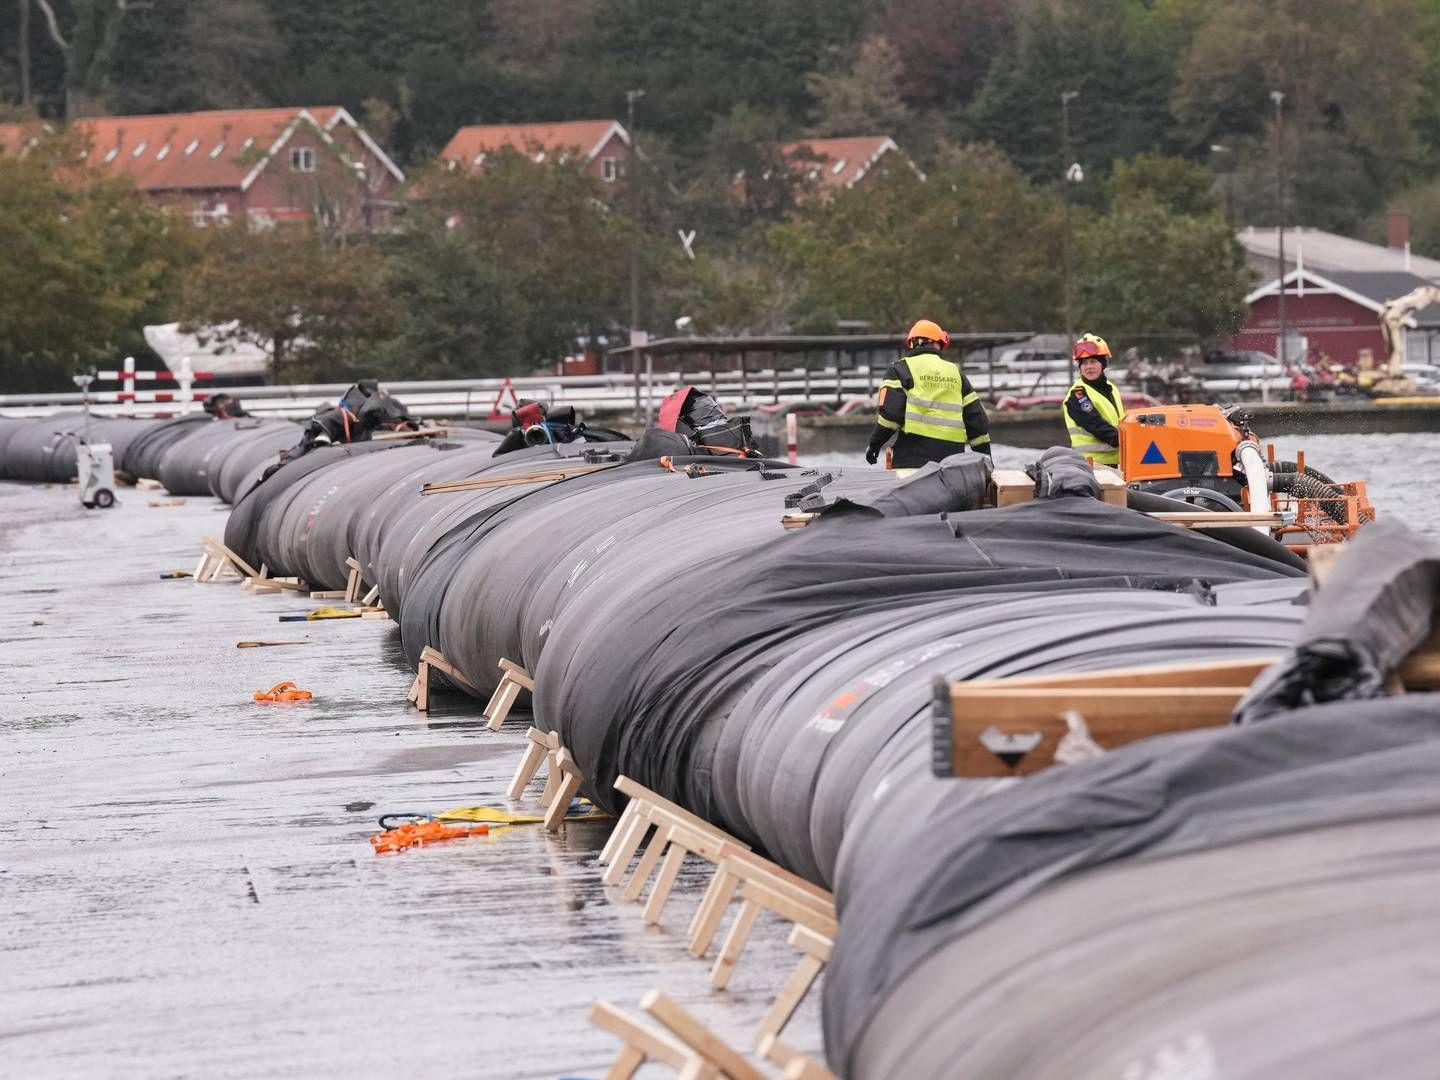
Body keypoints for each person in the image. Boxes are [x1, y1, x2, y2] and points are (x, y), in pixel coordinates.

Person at [865, 319, 991, 467]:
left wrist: (874, 445)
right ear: (938, 343)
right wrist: (986, 462)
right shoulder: (956, 373)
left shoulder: (899, 369)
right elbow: (977, 425)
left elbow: (890, 417)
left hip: (913, 459)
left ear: (912, 344)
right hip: (952, 462)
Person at [1063, 333, 1126, 466]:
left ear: (1103, 364)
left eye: (1093, 361)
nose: (1088, 367)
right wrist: (1131, 440)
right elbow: (1096, 425)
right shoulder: (1077, 394)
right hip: (1092, 466)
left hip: (1117, 462)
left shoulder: (1112, 388)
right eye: (1084, 363)